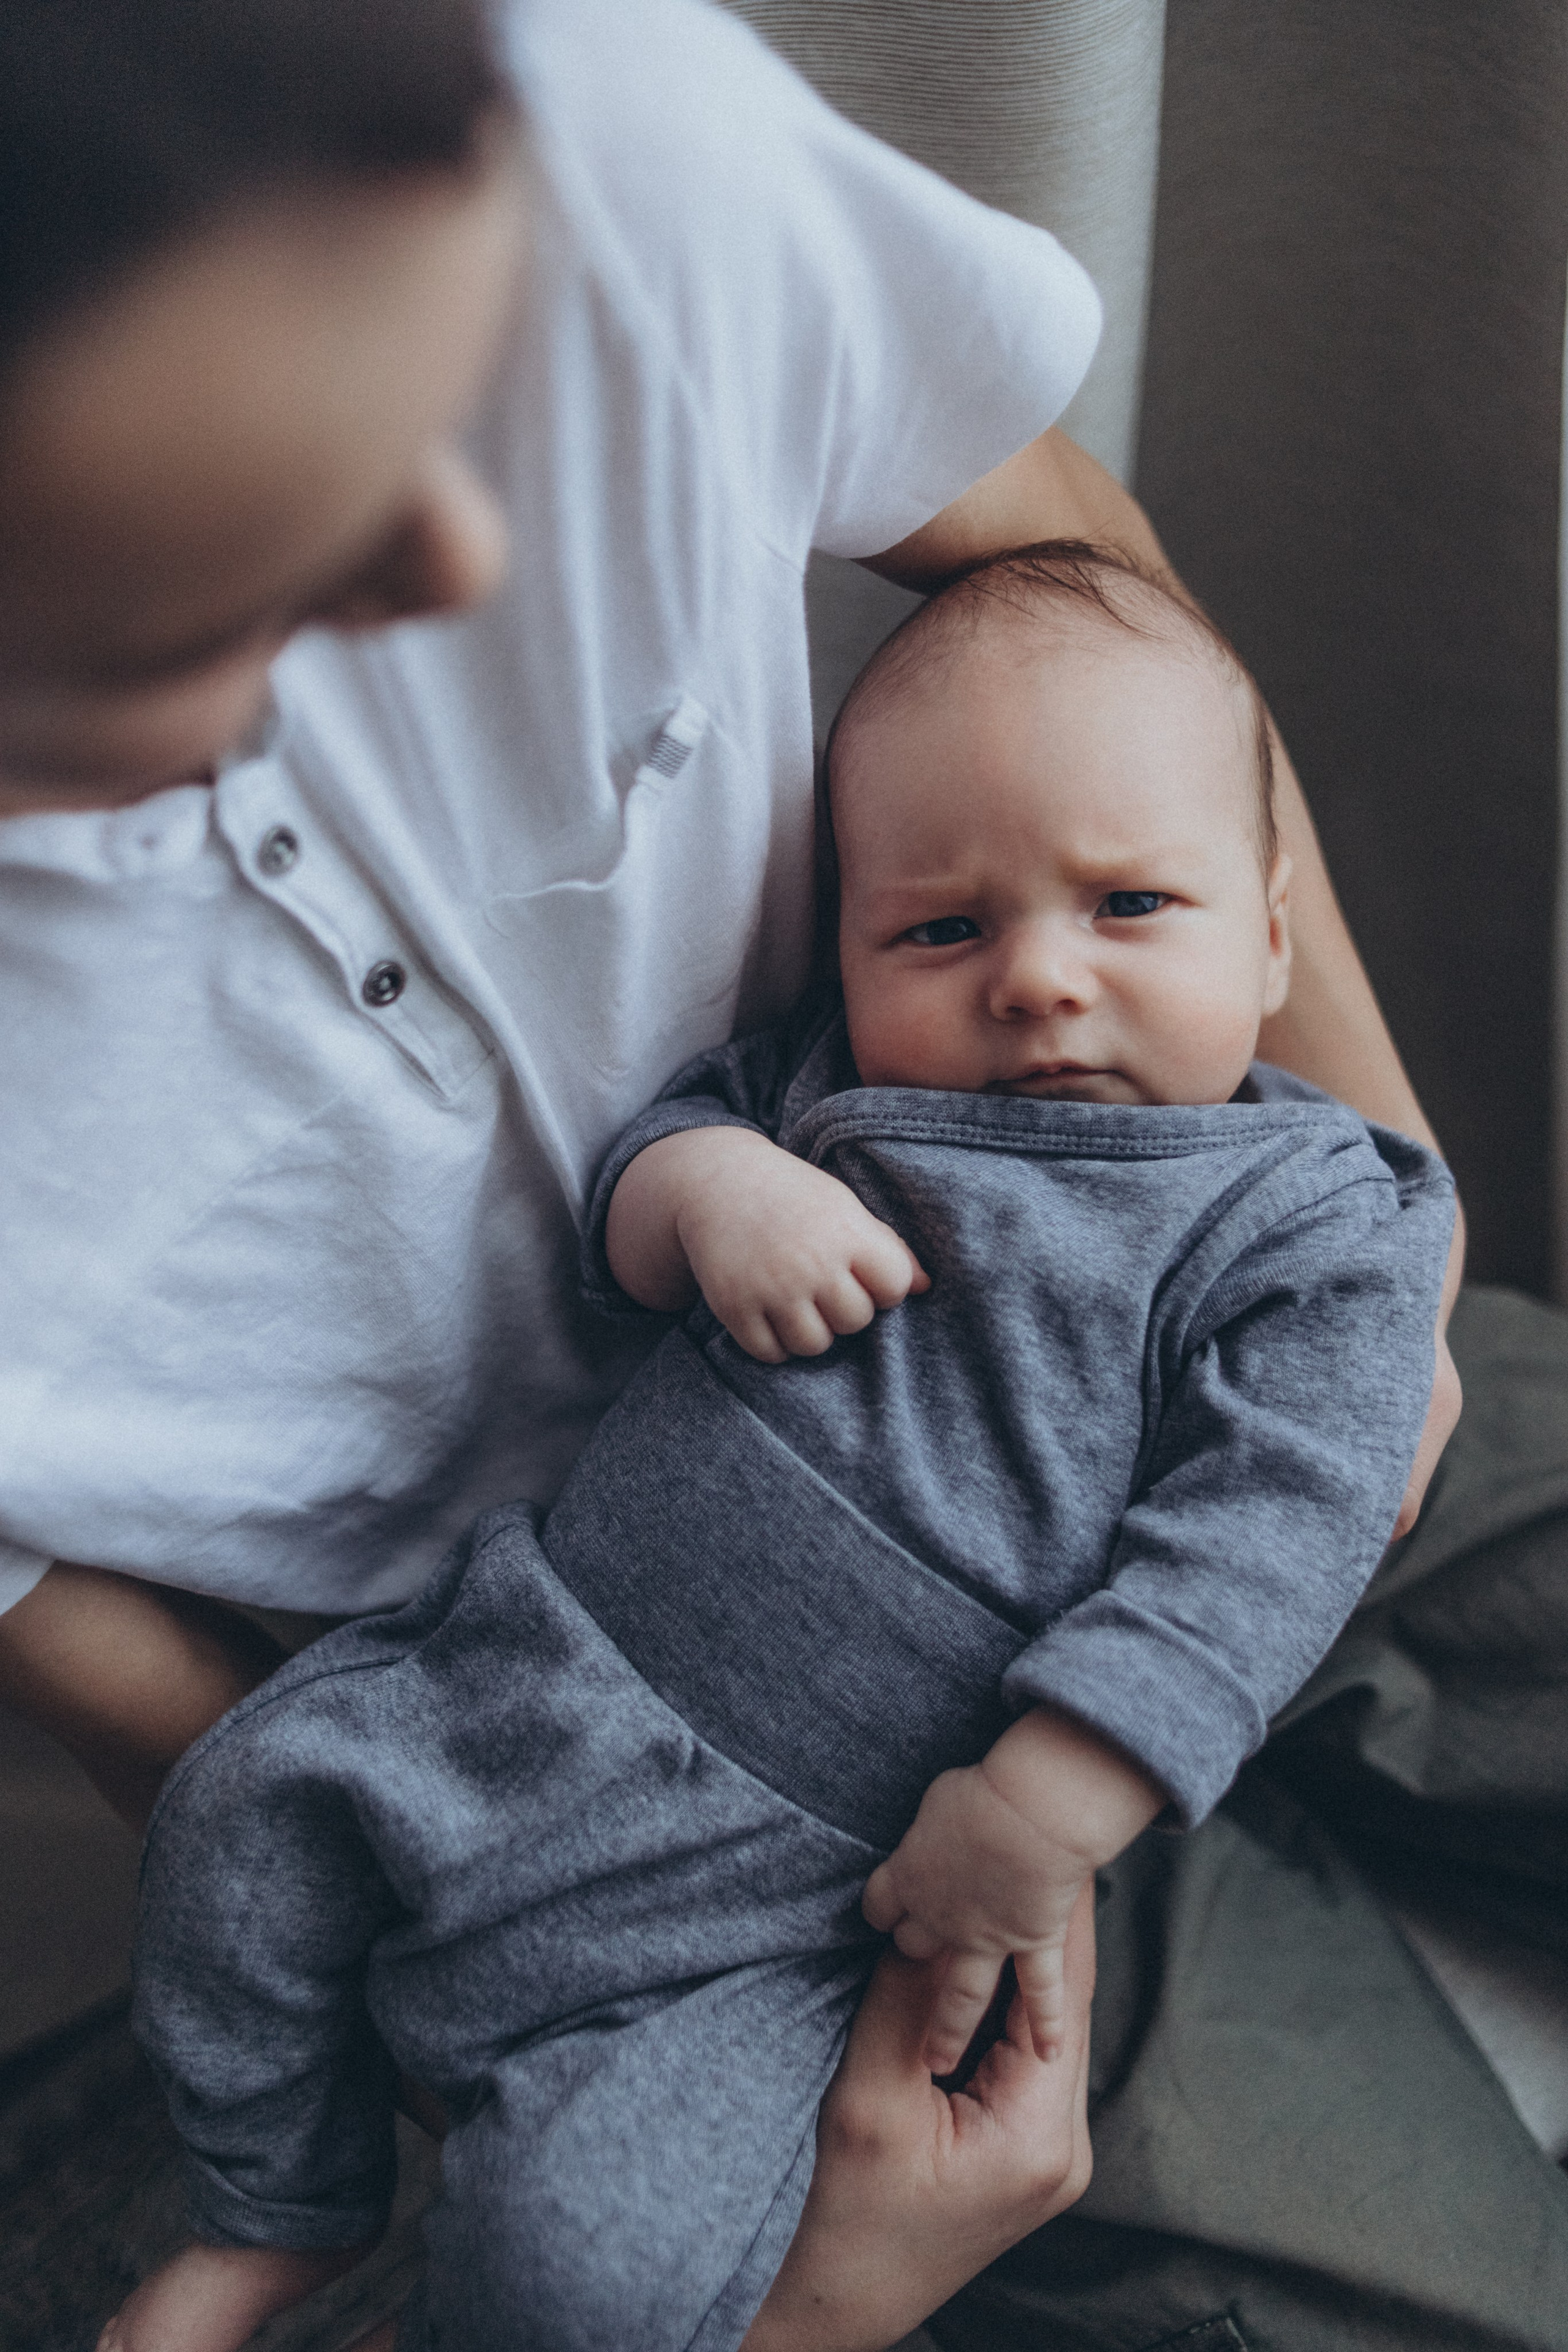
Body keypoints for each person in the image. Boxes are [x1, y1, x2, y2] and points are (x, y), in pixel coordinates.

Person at [0, 0, 1500, 2344]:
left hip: (1180, 1589)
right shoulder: (844, 1089)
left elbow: (1076, 591)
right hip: (707, 1814)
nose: (461, 562)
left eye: (442, 398)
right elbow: (676, 1150)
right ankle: (269, 2200)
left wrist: (1392, 1217)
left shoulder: (578, 111)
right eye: (236, 578)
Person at [110, 546, 1451, 2352]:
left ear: (1273, 935)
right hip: (516, 1687)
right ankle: (280, 2202)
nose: (1039, 981)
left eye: (1131, 905)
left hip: (813, 1890)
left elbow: (1274, 1535)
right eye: (941, 928)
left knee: (583, 2268)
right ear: (847, 945)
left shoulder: (1307, 1222)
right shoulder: (834, 1089)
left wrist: (1051, 1803)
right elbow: (630, 1185)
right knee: (232, 1825)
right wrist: (709, 1191)